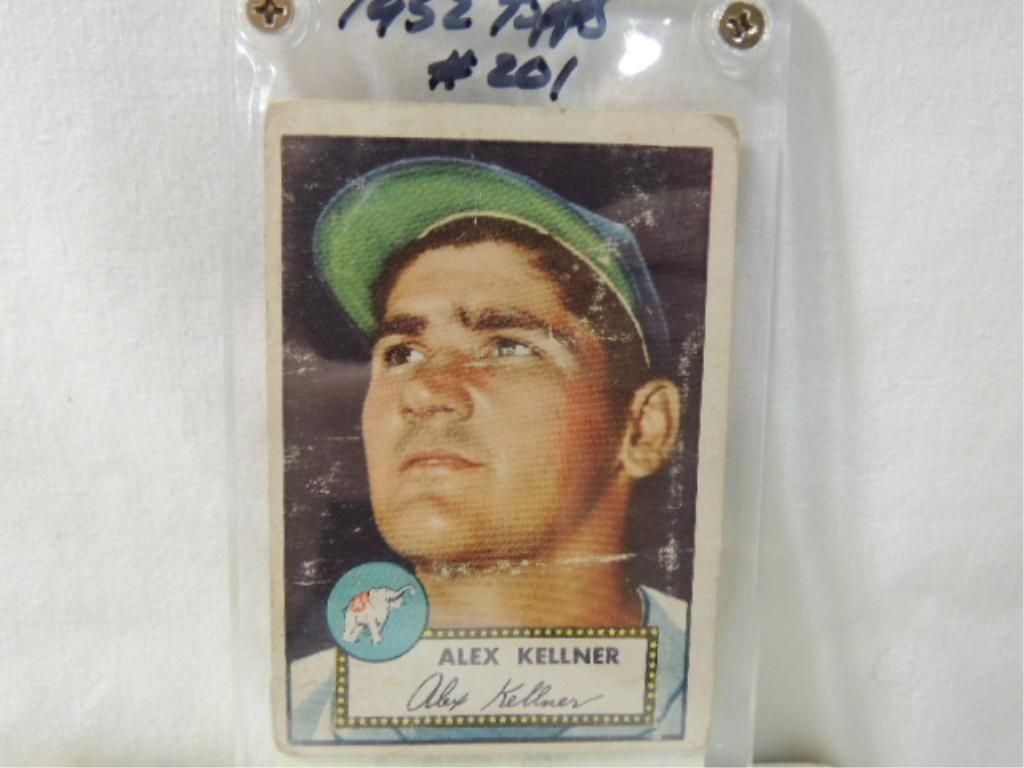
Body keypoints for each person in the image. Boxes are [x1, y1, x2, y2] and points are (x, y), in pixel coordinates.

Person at [289, 157, 690, 743]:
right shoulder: (292, 713)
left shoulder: (720, 693)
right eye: (402, 353)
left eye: (507, 346)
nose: (425, 391)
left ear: (644, 428)